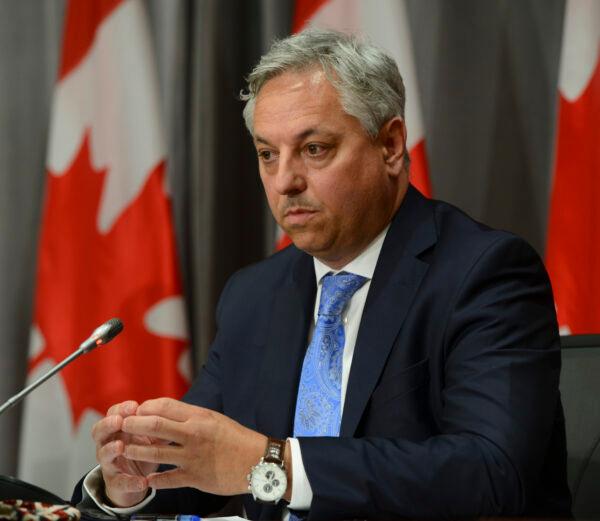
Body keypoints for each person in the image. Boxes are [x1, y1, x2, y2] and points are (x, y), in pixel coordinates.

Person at [74, 29, 572, 520]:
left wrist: (270, 463)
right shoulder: (255, 294)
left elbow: (492, 473)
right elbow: (203, 463)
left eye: (314, 149)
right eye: (268, 155)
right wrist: (131, 481)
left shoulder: (483, 274)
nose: (285, 181)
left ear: (391, 145)